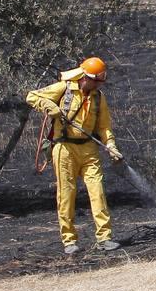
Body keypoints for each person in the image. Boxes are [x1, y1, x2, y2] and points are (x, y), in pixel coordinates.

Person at [26, 57, 123, 255]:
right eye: (95, 81)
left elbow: (104, 126)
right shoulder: (64, 88)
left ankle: (104, 238)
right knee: (66, 195)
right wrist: (49, 106)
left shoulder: (98, 97)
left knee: (97, 192)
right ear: (85, 77)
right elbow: (32, 96)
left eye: (100, 82)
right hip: (64, 150)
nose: (97, 85)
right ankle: (69, 241)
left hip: (89, 150)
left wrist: (111, 144)